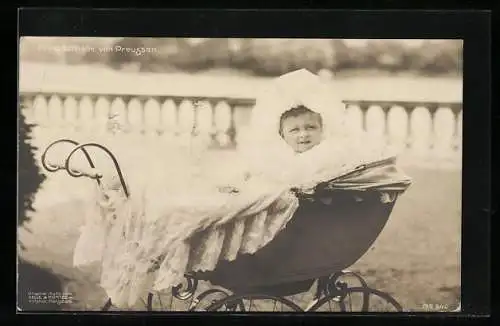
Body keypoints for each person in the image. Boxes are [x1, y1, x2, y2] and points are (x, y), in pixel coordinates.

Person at [72, 68, 409, 309]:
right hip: (275, 196)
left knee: (211, 209)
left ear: (323, 129)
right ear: (282, 134)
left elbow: (301, 183)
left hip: (294, 220)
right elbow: (265, 176)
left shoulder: (325, 157)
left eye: (311, 127)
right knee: (201, 198)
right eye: (295, 130)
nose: (304, 134)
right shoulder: (280, 156)